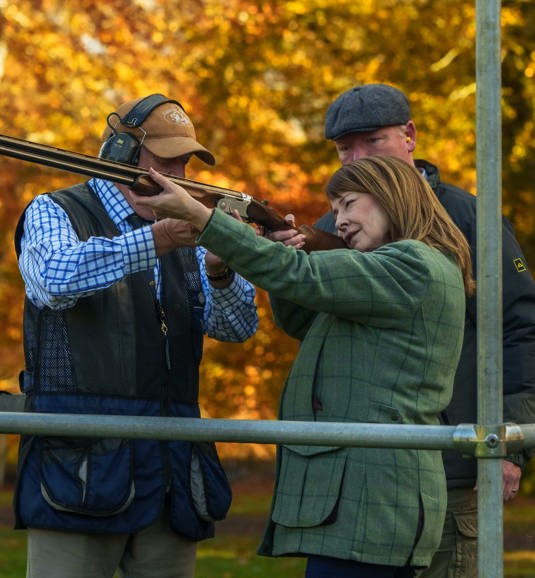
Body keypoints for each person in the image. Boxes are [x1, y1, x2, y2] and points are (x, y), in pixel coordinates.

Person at [133, 155, 475, 577]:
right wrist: (273, 249)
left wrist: (204, 220)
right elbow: (299, 317)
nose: (340, 221)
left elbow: (300, 277)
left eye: (349, 203)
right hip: (364, 498)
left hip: (370, 498)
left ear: (392, 196)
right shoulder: (396, 268)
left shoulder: (410, 264)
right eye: (335, 210)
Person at [278, 83, 535, 578]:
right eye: (344, 149)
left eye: (372, 141)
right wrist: (284, 260)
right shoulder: (334, 225)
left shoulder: (470, 219)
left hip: (454, 462)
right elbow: (304, 326)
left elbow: (519, 329)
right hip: (358, 477)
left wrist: (510, 441)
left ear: (409, 135)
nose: (357, 157)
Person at [13, 93, 258, 578]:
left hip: (170, 473)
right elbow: (55, 279)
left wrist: (222, 268)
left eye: (185, 162)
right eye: (167, 161)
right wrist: (158, 239)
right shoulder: (54, 210)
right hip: (78, 470)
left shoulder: (195, 230)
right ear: (121, 156)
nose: (180, 175)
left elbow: (236, 328)